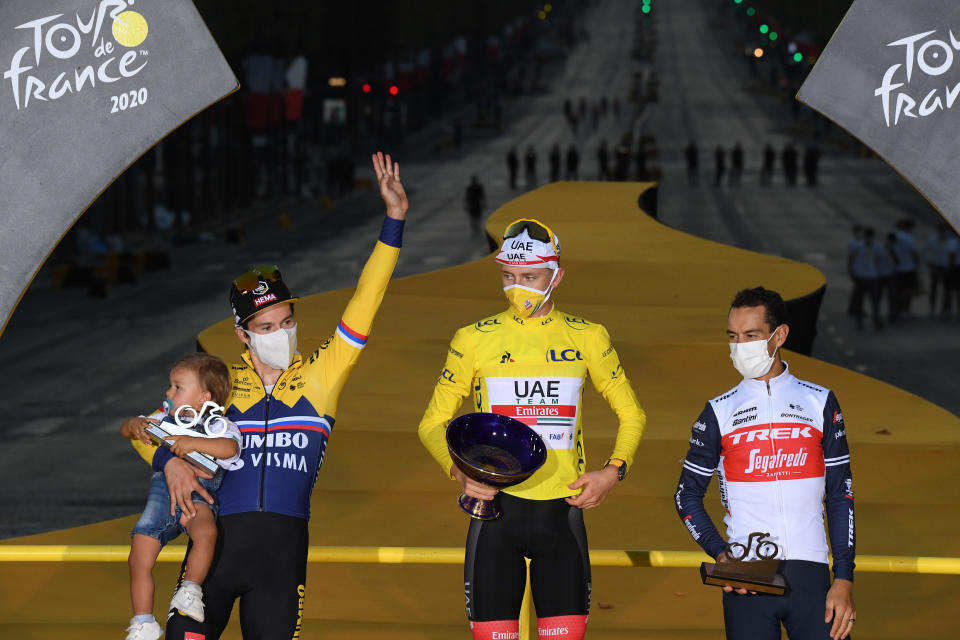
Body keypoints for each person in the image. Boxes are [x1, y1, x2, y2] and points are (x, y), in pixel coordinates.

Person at [128, 152, 408, 639]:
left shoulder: (323, 376)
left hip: (281, 561)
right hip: (212, 556)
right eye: (266, 327)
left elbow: (367, 298)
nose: (282, 333)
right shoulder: (217, 383)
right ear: (242, 334)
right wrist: (167, 462)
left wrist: (394, 221)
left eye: (288, 322)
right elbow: (139, 429)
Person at [418, 218, 646, 640]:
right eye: (508, 276)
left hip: (563, 512)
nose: (516, 287)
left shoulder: (589, 336)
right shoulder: (472, 338)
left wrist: (612, 472)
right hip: (494, 512)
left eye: (529, 277)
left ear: (556, 277)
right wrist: (459, 471)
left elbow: (632, 414)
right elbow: (432, 422)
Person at [675, 287, 856, 640]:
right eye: (733, 337)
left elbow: (840, 495)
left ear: (780, 335)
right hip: (747, 577)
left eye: (751, 335)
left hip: (813, 575)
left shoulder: (819, 401)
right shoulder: (718, 411)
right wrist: (722, 555)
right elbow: (686, 496)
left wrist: (844, 578)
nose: (740, 346)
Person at [122, 354, 241, 640]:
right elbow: (126, 428)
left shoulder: (218, 427)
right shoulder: (163, 419)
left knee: (206, 533)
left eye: (177, 387)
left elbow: (231, 449)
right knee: (139, 555)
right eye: (171, 386)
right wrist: (135, 425)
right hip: (161, 502)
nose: (168, 393)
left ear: (204, 397)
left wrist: (194, 442)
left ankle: (191, 589)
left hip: (197, 502)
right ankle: (143, 622)